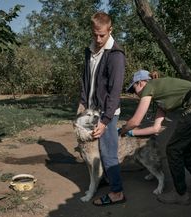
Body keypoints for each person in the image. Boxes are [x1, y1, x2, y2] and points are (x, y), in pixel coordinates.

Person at [120, 70, 191, 205]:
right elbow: (155, 128)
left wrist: (122, 130)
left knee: (173, 150)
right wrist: (132, 133)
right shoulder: (161, 95)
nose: (135, 93)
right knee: (186, 150)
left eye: (134, 88)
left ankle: (180, 194)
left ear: (141, 82)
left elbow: (135, 121)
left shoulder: (150, 86)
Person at [77, 11, 126, 206]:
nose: (98, 39)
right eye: (94, 34)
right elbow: (85, 81)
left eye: (102, 35)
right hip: (90, 110)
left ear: (110, 30)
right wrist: (81, 105)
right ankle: (104, 179)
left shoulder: (115, 55)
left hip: (107, 113)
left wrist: (105, 121)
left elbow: (115, 92)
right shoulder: (89, 50)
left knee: (108, 152)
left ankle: (117, 192)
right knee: (94, 150)